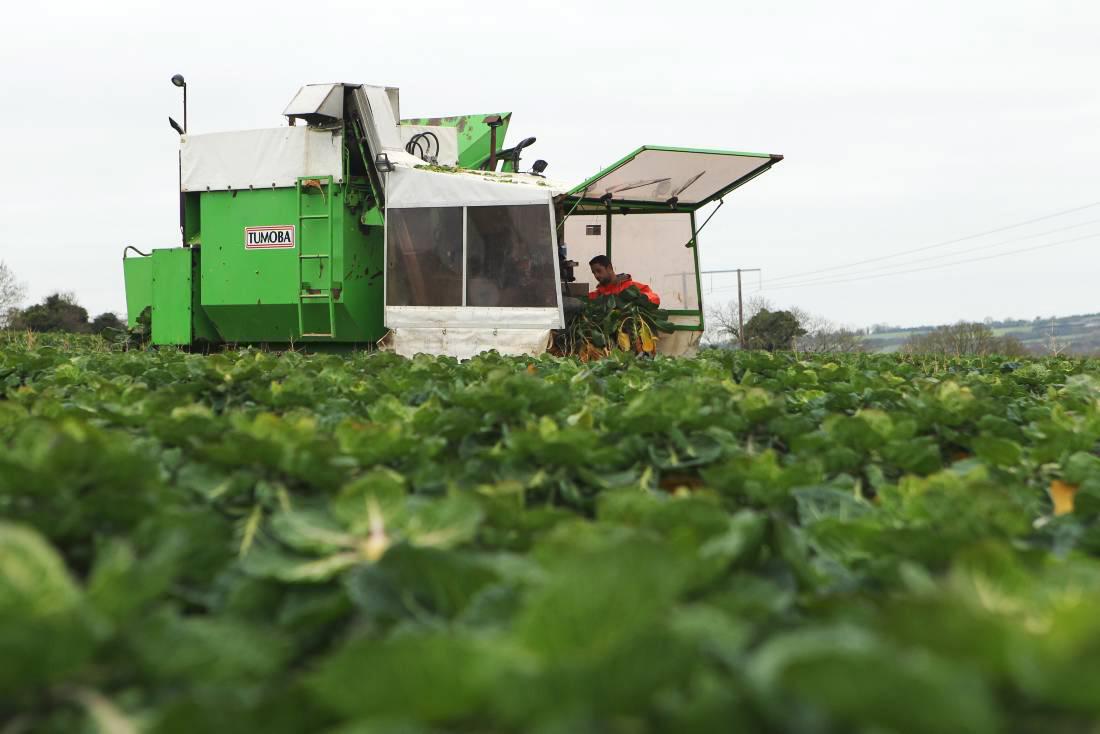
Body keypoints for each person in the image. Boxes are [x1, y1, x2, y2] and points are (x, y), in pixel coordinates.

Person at [587, 255, 660, 305]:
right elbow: (584, 299)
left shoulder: (630, 286)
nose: (596, 275)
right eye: (594, 273)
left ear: (609, 268)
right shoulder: (598, 294)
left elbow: (655, 298)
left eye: (599, 271)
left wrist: (637, 299)